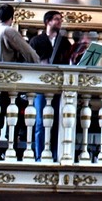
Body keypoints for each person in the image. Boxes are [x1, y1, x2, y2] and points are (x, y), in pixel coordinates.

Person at [29, 10, 74, 160]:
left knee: (57, 122)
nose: (59, 22)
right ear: (48, 22)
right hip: (41, 87)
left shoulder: (65, 42)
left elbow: (69, 62)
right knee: (41, 122)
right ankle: (39, 156)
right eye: (56, 19)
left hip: (58, 88)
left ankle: (55, 155)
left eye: (60, 19)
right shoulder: (36, 41)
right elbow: (30, 62)